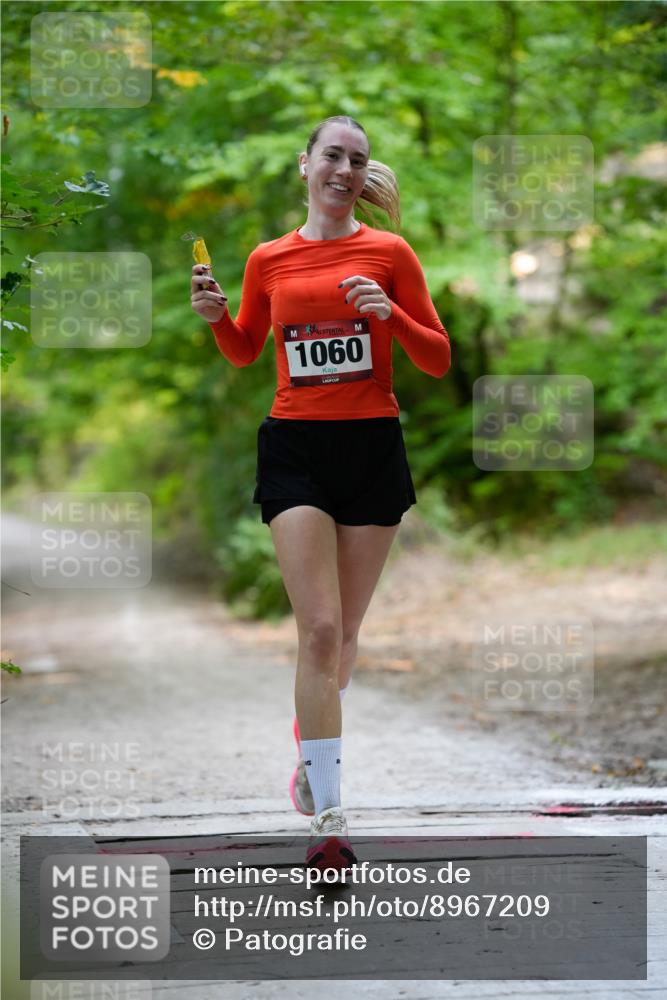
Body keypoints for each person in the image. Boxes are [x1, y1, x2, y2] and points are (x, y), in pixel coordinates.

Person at [191, 114, 451, 873]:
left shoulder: (390, 252)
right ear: (305, 164)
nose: (343, 168)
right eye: (332, 155)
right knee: (319, 631)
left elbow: (435, 360)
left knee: (345, 638)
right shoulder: (268, 258)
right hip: (295, 447)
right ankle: (331, 821)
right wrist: (216, 320)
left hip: (371, 447)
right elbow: (245, 349)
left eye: (357, 159)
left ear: (363, 174)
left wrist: (390, 312)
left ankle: (310, 749)